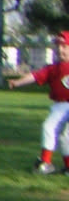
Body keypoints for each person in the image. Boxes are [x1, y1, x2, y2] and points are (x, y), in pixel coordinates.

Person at [6, 29, 69, 173]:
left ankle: (49, 163)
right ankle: (51, 163)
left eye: (65, 46)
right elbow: (35, 76)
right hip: (60, 105)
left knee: (57, 131)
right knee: (58, 133)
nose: (60, 49)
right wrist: (18, 82)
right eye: (58, 46)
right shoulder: (53, 68)